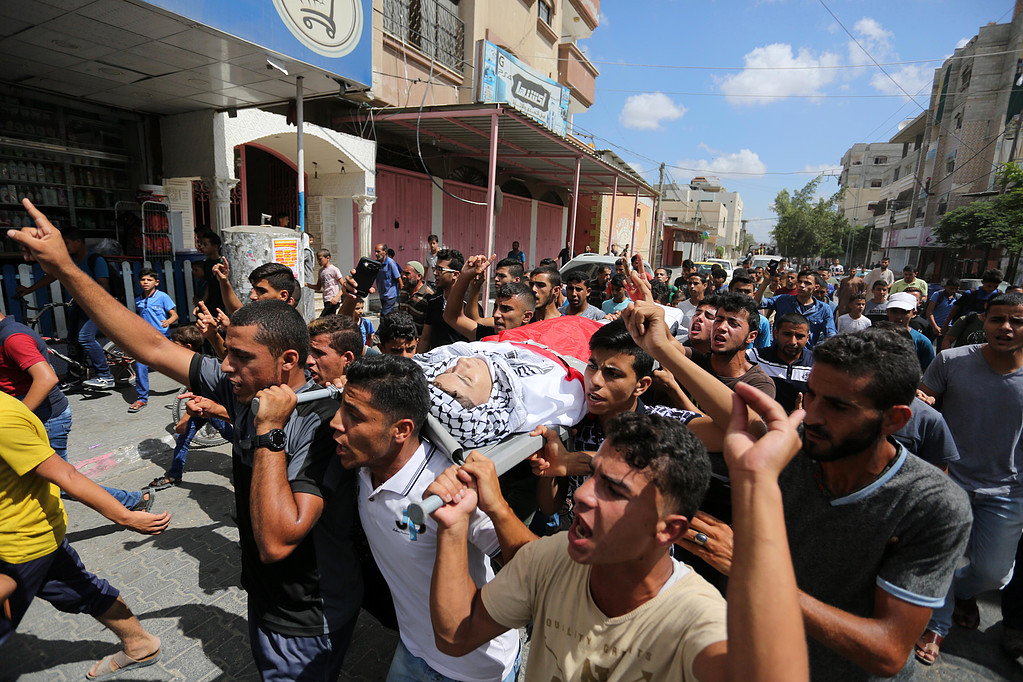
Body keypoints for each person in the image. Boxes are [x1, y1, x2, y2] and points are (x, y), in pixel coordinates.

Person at [10, 199, 363, 679]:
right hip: (266, 594)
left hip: (307, 614)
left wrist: (268, 431)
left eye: (241, 357)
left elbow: (278, 542)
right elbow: (152, 346)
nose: (226, 367)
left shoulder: (323, 423)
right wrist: (66, 269)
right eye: (226, 353)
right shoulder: (241, 384)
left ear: (287, 362)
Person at [425, 389, 810, 682]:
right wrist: (454, 526)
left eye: (614, 490)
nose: (582, 495)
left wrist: (759, 482)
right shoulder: (553, 557)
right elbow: (456, 636)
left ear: (669, 529)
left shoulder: (696, 620)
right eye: (593, 475)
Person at [685, 328, 973, 680]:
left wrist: (753, 573)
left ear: (894, 419)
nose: (812, 415)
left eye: (838, 406)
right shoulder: (791, 448)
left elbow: (887, 652)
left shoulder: (933, 505)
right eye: (812, 395)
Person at [329, 355, 521, 681]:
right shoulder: (362, 464)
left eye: (353, 415)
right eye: (341, 407)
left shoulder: (451, 489)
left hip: (474, 670)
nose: (336, 423)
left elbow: (531, 568)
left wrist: (498, 506)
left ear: (402, 430)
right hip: (412, 650)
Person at [0, 392, 170, 678]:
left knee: (80, 589)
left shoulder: (3, 419)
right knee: (82, 589)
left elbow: (66, 475)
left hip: (19, 544)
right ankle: (140, 644)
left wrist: (126, 517)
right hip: (30, 536)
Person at [916, 292, 1023, 664]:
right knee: (943, 555)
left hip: (1009, 490)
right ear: (983, 321)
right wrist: (924, 400)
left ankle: (962, 592)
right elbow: (923, 400)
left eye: (1017, 321)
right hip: (950, 478)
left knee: (994, 574)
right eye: (997, 319)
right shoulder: (951, 360)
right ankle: (937, 624)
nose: (1005, 328)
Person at [0, 307, 151, 510]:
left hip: (47, 420)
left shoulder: (13, 338)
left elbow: (46, 379)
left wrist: (14, 417)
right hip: (35, 418)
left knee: (61, 482)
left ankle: (132, 502)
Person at [17, 227, 117, 390]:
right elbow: (52, 275)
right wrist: (29, 290)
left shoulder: (95, 260)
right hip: (79, 305)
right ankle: (75, 376)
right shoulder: (70, 261)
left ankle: (105, 376)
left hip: (97, 307)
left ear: (78, 242)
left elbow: (103, 286)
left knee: (85, 338)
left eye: (67, 243)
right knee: (72, 341)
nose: (65, 247)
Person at [148, 325, 233, 490]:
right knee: (186, 438)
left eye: (175, 344)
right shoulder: (191, 363)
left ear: (187, 347)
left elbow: (202, 397)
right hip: (202, 408)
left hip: (210, 408)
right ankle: (174, 474)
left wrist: (185, 419)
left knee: (230, 435)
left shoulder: (198, 366)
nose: (172, 348)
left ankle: (251, 456)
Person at [696, 292, 776, 399]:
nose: (721, 327)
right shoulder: (693, 361)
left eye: (733, 323)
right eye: (718, 320)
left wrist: (675, 390)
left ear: (751, 336)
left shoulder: (758, 385)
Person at [444, 255, 536, 339]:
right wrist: (465, 276)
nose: (496, 314)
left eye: (506, 309)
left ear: (526, 317)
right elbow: (452, 317)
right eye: (495, 307)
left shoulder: (537, 344)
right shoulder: (489, 335)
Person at [129, 267, 177, 413]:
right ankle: (142, 398)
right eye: (143, 280)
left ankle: (194, 385)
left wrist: (168, 322)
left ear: (156, 282)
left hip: (162, 338)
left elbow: (174, 315)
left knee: (175, 363)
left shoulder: (162, 297)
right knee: (140, 365)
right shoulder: (138, 300)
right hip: (145, 338)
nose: (145, 282)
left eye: (149, 280)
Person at [746, 313, 813, 413]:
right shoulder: (754, 358)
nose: (793, 342)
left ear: (808, 337)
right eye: (787, 334)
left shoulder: (817, 364)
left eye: (799, 336)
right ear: (776, 333)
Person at [755, 270, 837, 348]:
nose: (802, 285)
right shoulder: (783, 300)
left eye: (807, 283)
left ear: (816, 287)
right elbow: (757, 303)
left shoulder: (824, 309)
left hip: (806, 354)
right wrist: (765, 282)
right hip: (779, 352)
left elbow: (830, 334)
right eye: (800, 282)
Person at [418, 248, 466, 352]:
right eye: (435, 268)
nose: (435, 273)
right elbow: (425, 340)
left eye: (440, 269)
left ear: (455, 275)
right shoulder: (433, 302)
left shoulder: (468, 306)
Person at [940, 268, 1004, 337]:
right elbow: (955, 309)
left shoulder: (999, 296)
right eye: (989, 286)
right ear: (982, 282)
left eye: (995, 286)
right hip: (967, 326)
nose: (991, 289)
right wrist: (946, 324)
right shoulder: (971, 294)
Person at [306, 314, 364, 387]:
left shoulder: (369, 391)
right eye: (308, 352)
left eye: (318, 353)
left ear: (348, 359)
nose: (308, 361)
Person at [885, 292, 934, 370]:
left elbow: (928, 371)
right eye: (894, 311)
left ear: (914, 313)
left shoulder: (922, 342)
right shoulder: (874, 337)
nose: (898, 316)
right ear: (887, 311)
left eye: (904, 312)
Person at [728, 273, 771, 349]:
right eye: (738, 291)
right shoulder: (718, 316)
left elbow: (764, 351)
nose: (742, 295)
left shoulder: (762, 322)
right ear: (730, 292)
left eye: (747, 292)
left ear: (754, 294)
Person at [397, 260, 434, 337]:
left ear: (419, 276)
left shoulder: (428, 296)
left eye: (407, 274)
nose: (403, 276)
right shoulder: (404, 291)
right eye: (403, 273)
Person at [305, 249, 343, 317]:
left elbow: (344, 285)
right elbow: (318, 287)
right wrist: (307, 284)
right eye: (318, 260)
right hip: (326, 299)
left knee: (322, 318)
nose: (319, 262)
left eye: (320, 259)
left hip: (333, 299)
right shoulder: (321, 271)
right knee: (330, 318)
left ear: (327, 258)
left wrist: (337, 297)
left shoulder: (334, 269)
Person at [677, 272, 707, 343]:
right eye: (690, 283)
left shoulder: (710, 307)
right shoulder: (681, 306)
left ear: (704, 285)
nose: (692, 286)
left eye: (696, 283)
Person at [373, 243, 402, 316]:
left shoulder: (391, 263)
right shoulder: (377, 263)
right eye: (375, 252)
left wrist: (402, 291)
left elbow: (398, 277)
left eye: (378, 252)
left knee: (384, 315)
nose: (376, 254)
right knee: (388, 315)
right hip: (382, 294)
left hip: (390, 295)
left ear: (385, 252)